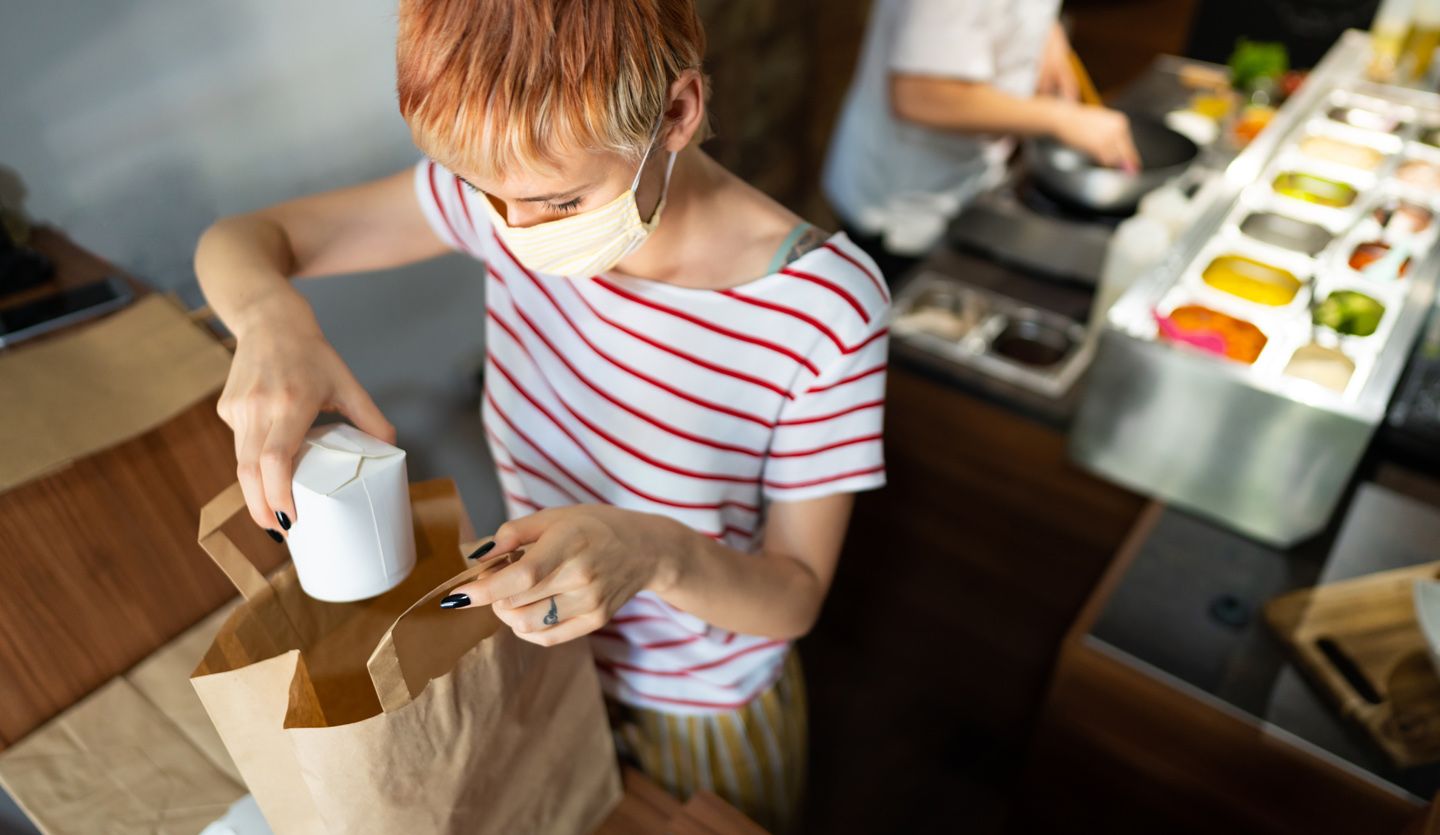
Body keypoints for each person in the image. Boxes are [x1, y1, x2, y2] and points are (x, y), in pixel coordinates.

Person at [194, 1, 889, 830]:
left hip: (701, 706)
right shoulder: (502, 196)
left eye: (559, 203)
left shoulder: (823, 313)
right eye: (489, 196)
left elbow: (795, 596)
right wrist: (272, 321)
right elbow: (245, 237)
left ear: (676, 112)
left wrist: (653, 552)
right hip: (540, 659)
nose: (517, 234)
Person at [823, 0, 1141, 282]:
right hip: (901, 203)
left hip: (969, 179)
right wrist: (1060, 118)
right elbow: (917, 94)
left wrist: (1045, 32)